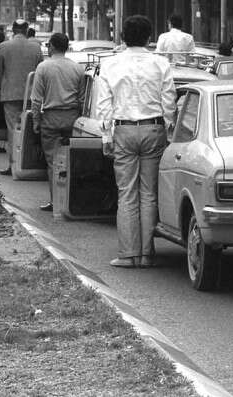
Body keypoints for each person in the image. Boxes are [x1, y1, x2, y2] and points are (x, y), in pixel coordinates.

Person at [97, 15, 175, 268]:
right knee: (149, 193)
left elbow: (104, 103)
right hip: (154, 128)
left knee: (127, 193)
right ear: (150, 38)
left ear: (122, 37)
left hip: (124, 129)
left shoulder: (110, 64)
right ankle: (146, 254)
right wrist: (168, 130)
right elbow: (169, 102)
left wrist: (106, 135)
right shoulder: (161, 63)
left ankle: (128, 255)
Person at [31, 32, 85, 212]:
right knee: (71, 161)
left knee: (53, 161)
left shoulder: (43, 67)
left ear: (52, 47)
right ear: (66, 47)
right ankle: (71, 201)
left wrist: (36, 121)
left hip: (51, 119)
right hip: (73, 118)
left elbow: (36, 99)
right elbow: (82, 98)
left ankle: (56, 202)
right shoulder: (78, 68)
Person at [0, 19, 44, 176]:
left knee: (12, 130)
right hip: (31, 95)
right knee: (29, 129)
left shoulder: (4, 46)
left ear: (13, 30)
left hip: (10, 95)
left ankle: (13, 165)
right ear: (27, 30)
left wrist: (4, 87)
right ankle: (30, 164)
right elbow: (40, 71)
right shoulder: (36, 47)